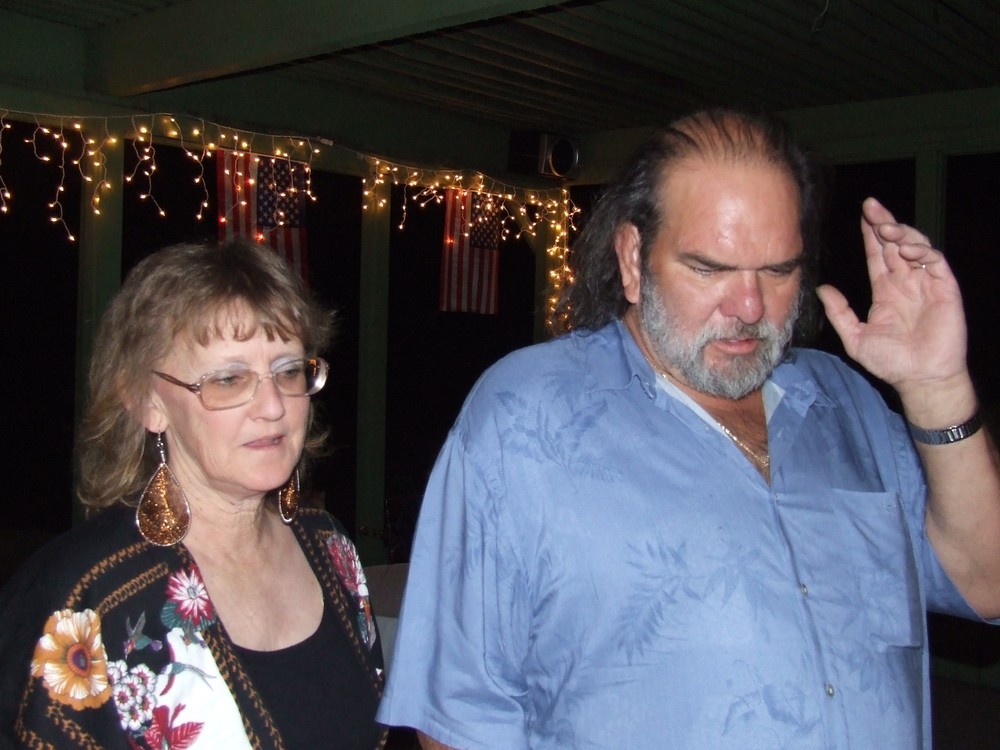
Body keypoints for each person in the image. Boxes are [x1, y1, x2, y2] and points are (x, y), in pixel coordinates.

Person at [376, 108, 1000, 749]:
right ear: (632, 258)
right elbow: (459, 718)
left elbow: (987, 581)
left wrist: (938, 388)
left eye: (778, 270)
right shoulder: (525, 418)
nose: (750, 307)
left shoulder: (846, 404)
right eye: (709, 268)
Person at [0, 241, 386, 749]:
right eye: (228, 379)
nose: (273, 406)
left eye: (289, 370)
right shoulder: (83, 599)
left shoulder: (331, 548)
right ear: (147, 402)